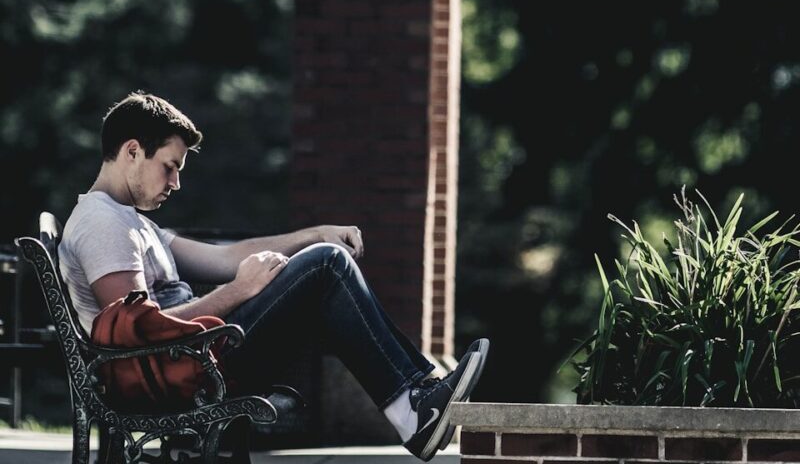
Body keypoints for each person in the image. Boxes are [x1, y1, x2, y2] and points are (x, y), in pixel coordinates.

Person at [58, 91, 488, 461]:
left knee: (322, 260)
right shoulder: (102, 223)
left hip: (196, 355)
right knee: (325, 265)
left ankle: (418, 397)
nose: (175, 182)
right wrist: (240, 290)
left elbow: (224, 258)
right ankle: (413, 409)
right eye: (170, 166)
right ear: (132, 151)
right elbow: (138, 340)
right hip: (187, 365)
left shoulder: (130, 221)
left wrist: (314, 233)